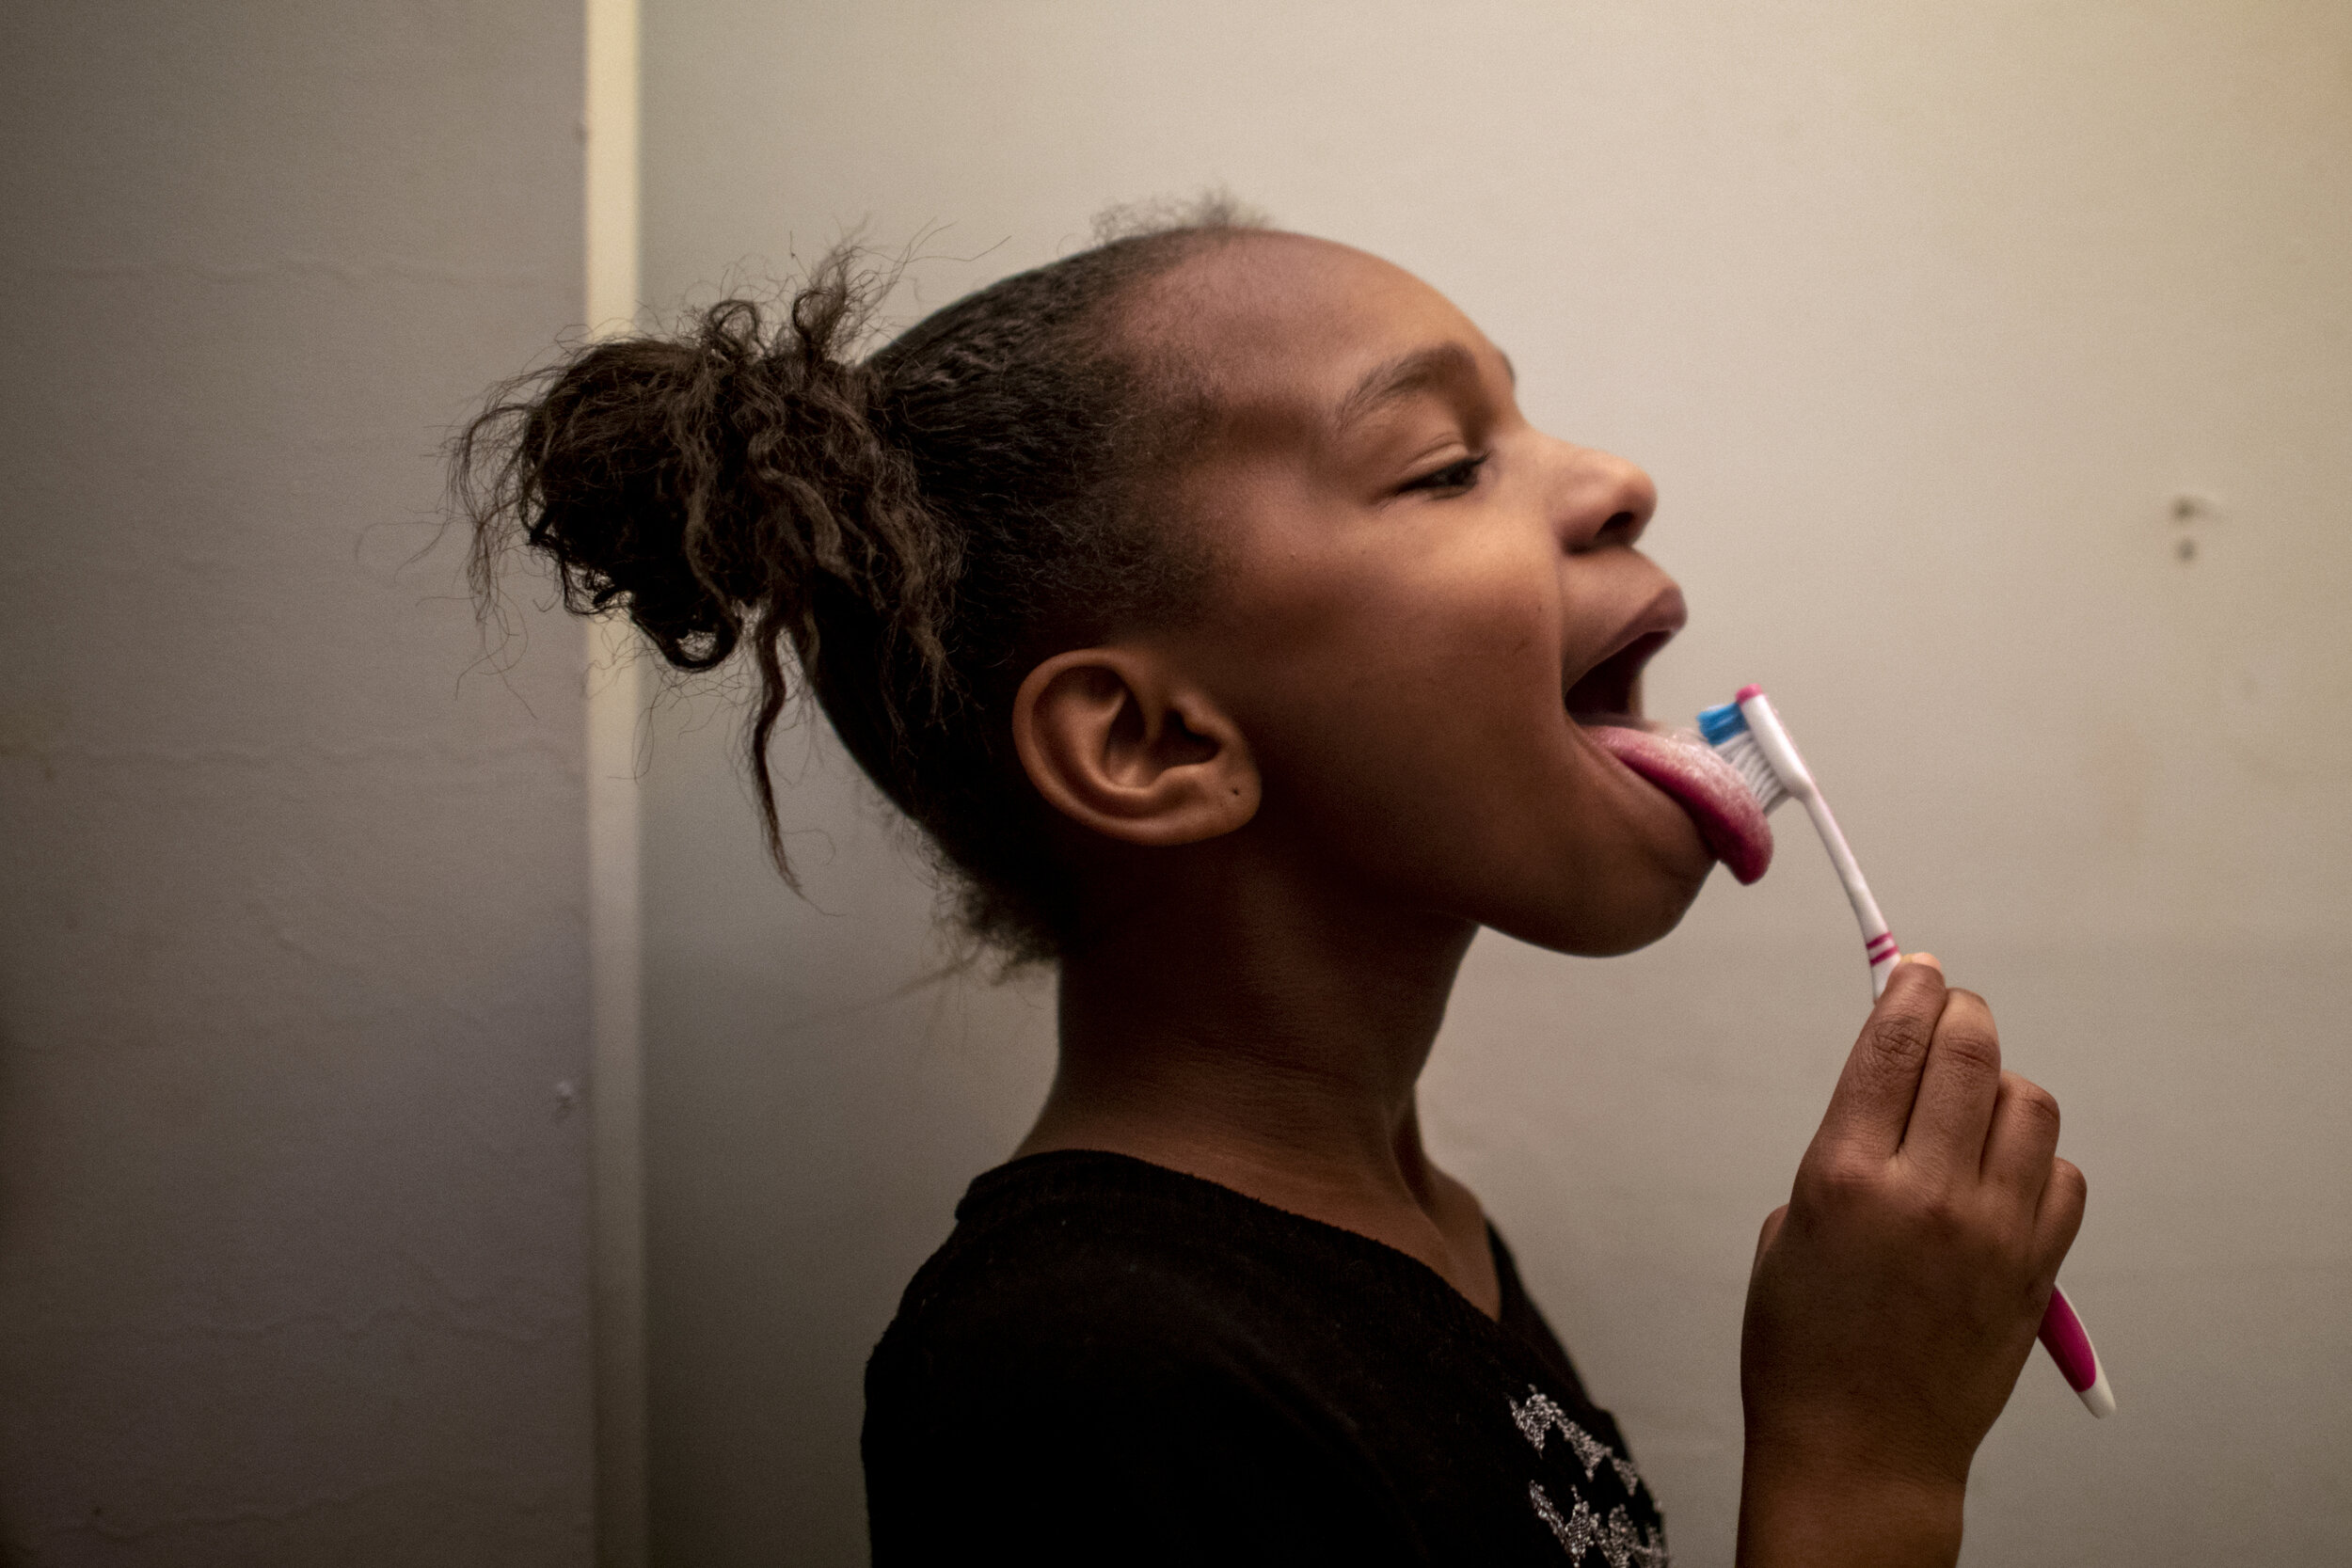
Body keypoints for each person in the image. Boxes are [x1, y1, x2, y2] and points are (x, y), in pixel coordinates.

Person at [457, 203, 2085, 1566]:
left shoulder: (1418, 1235)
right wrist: (1862, 1467)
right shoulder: (1091, 1383)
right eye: (1446, 465)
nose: (1614, 479)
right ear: (1154, 742)